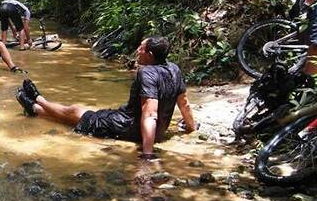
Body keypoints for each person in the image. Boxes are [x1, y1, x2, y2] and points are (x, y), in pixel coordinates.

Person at [15, 37, 196, 159]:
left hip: (129, 128)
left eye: (141, 48)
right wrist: (191, 128)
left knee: (75, 112)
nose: (137, 50)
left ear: (150, 55)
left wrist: (147, 155)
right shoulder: (174, 69)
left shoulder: (147, 73)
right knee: (86, 113)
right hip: (142, 126)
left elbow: (150, 115)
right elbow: (184, 103)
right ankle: (35, 108)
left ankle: (39, 100)